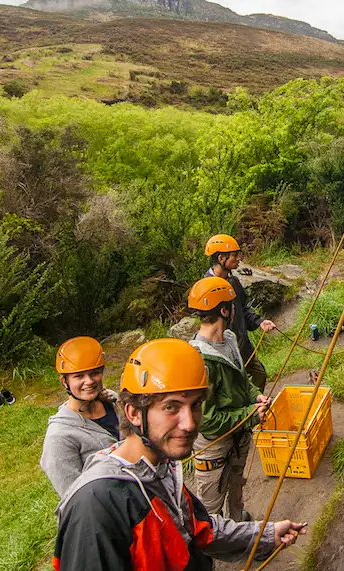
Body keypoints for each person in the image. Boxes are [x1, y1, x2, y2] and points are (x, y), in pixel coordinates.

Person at [53, 338, 305, 570]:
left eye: (195, 405)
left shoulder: (160, 470)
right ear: (133, 413)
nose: (189, 423)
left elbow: (199, 530)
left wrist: (265, 535)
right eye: (171, 407)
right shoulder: (96, 506)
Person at [185, 276, 271, 521]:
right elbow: (207, 420)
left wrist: (256, 396)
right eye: (232, 305)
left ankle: (236, 527)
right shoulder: (199, 361)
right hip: (214, 445)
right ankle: (210, 553)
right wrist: (249, 415)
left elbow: (243, 379)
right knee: (210, 506)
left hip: (238, 434)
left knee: (237, 485)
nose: (235, 309)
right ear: (224, 310)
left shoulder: (230, 339)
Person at [40, 336, 120, 498]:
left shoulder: (112, 402)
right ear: (64, 382)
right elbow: (73, 496)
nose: (89, 381)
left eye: (95, 373)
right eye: (79, 376)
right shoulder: (59, 437)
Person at [204, 234, 276, 392]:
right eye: (235, 256)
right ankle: (248, 413)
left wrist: (259, 322)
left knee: (259, 375)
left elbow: (243, 308)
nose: (238, 259)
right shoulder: (206, 289)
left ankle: (255, 409)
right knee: (235, 390)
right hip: (224, 350)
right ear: (222, 258)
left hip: (242, 344)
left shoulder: (233, 282)